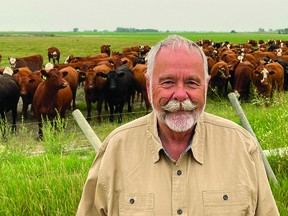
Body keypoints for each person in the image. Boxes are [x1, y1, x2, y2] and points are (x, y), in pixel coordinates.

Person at [76, 35, 279, 215]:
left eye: (192, 83)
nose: (181, 95)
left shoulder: (243, 148)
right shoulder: (114, 149)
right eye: (167, 82)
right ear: (148, 86)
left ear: (206, 86)